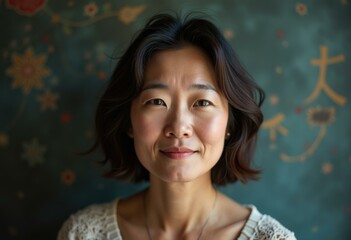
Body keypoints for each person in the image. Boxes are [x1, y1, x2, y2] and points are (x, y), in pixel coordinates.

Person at [58, 12, 296, 240]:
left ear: (229, 124)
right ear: (128, 121)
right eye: (157, 102)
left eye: (202, 102)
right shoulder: (82, 234)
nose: (179, 126)